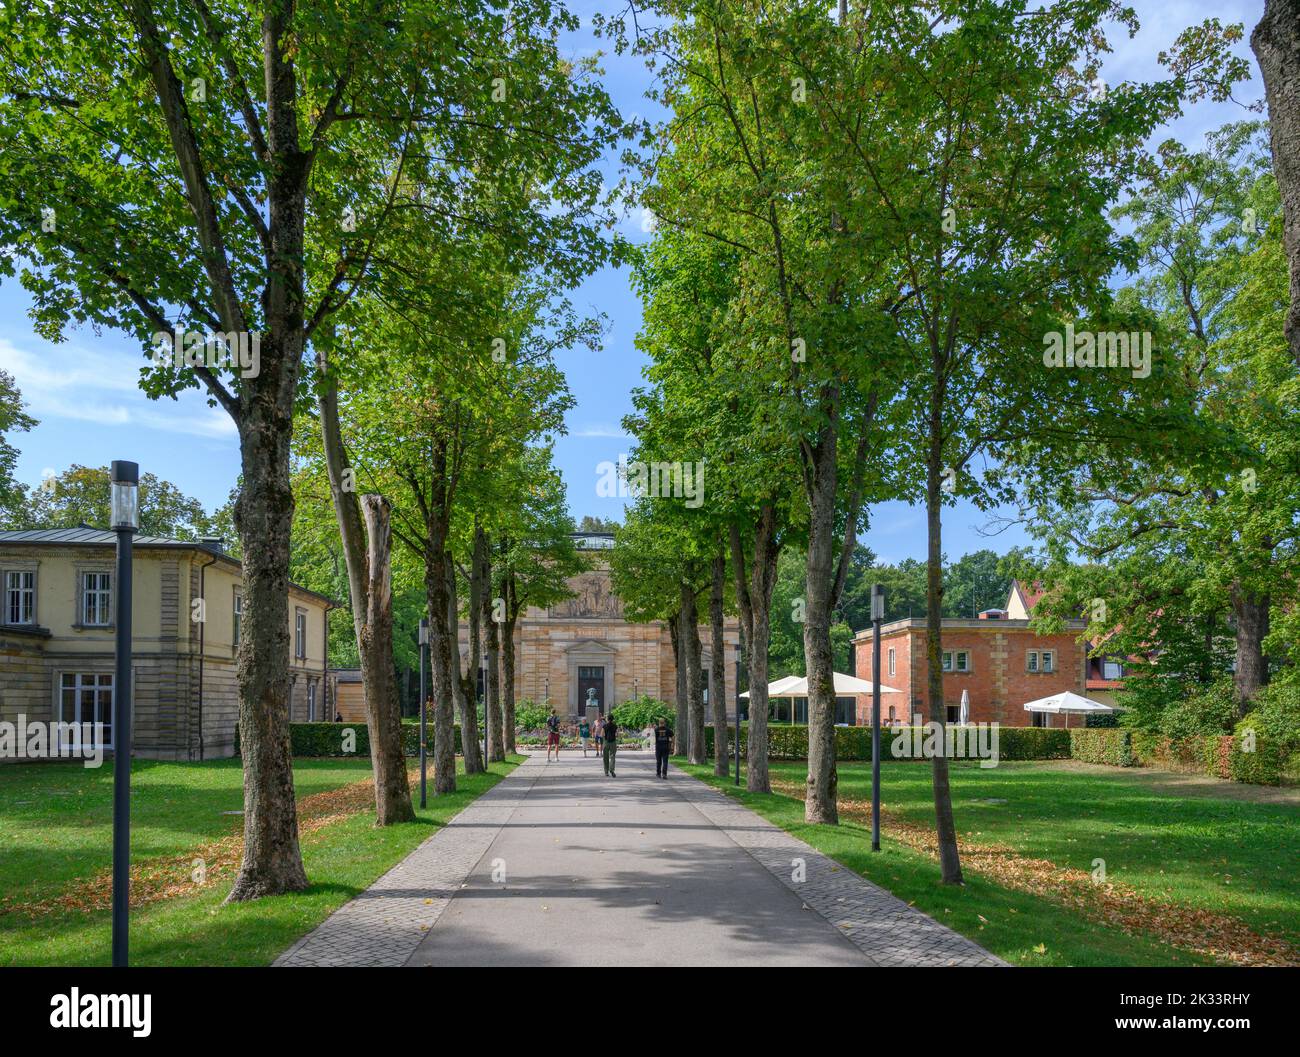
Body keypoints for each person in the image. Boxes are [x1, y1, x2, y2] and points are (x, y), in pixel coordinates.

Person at [601, 711, 619, 777]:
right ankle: (612, 769)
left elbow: (602, 734)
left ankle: (606, 772)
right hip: (613, 742)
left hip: (606, 742)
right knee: (612, 756)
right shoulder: (615, 726)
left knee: (605, 757)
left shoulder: (604, 726)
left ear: (607, 719)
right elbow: (617, 734)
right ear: (613, 719)